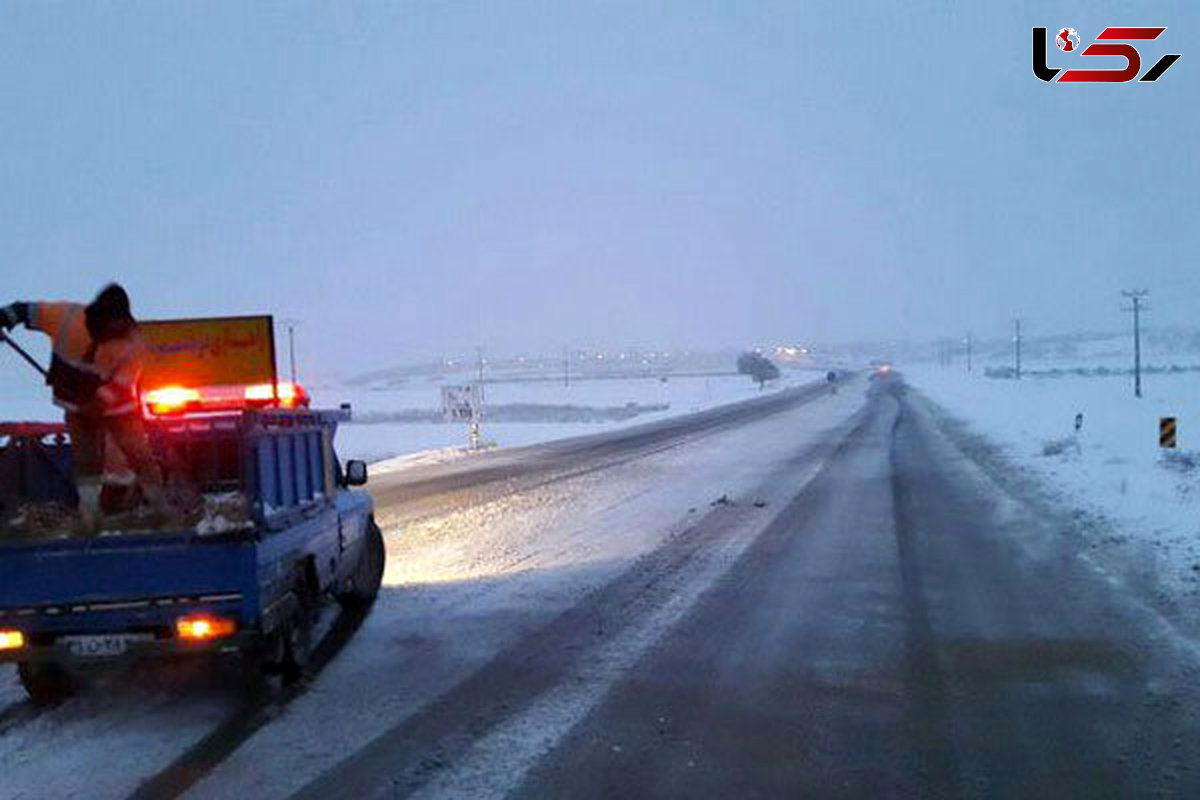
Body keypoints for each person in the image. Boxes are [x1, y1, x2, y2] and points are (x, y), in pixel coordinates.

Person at [1, 284, 171, 532]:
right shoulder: (66, 316)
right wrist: (5, 317)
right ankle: (90, 516)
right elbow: (24, 310)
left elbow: (117, 390)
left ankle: (160, 509)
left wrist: (95, 401)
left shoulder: (133, 345)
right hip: (76, 407)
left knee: (139, 456)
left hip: (120, 411)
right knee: (86, 460)